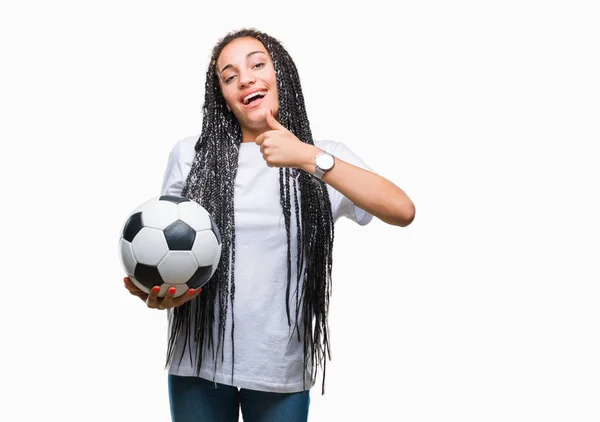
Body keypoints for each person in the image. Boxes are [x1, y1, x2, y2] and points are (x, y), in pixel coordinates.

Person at [123, 28, 415, 422]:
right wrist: (163, 294)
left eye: (257, 64)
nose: (245, 78)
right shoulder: (191, 156)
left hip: (279, 366)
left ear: (283, 75)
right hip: (197, 362)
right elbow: (168, 250)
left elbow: (402, 210)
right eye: (229, 76)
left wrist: (309, 158)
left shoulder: (324, 158)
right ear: (223, 98)